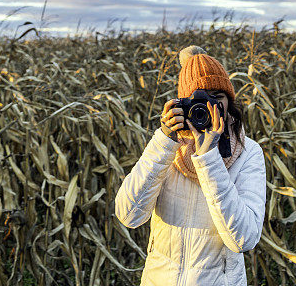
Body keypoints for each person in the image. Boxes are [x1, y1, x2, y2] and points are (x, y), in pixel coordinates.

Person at [114, 45, 267, 286]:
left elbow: (244, 239)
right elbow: (129, 215)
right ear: (183, 104)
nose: (209, 107)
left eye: (217, 97)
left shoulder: (249, 153)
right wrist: (164, 140)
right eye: (199, 99)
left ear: (230, 101)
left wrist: (209, 159)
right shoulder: (168, 148)